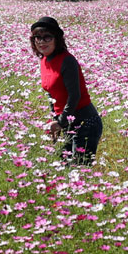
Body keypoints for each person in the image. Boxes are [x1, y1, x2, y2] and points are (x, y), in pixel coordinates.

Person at [31, 16, 102, 164]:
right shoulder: (45, 60)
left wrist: (60, 122)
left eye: (47, 37)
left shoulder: (67, 60)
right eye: (37, 37)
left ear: (57, 39)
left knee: (79, 170)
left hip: (85, 123)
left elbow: (74, 96)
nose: (41, 41)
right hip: (66, 122)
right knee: (63, 165)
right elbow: (51, 94)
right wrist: (56, 121)